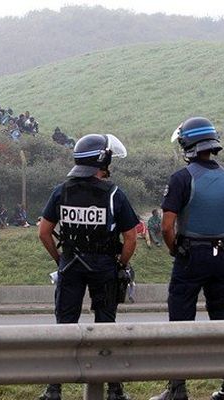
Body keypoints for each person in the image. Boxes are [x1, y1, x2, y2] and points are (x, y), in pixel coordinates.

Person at [150, 117, 224, 400]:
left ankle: (178, 389)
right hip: (222, 257)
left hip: (190, 257)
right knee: (221, 320)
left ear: (187, 144)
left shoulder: (181, 178)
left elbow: (166, 226)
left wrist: (176, 249)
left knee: (180, 324)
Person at [38, 133, 138, 400]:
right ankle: (114, 390)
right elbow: (130, 238)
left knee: (64, 326)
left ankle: (54, 389)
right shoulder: (115, 193)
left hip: (70, 265)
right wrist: (120, 264)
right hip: (104, 267)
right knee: (106, 327)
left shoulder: (62, 191)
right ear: (102, 160)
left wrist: (61, 261)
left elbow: (44, 232)